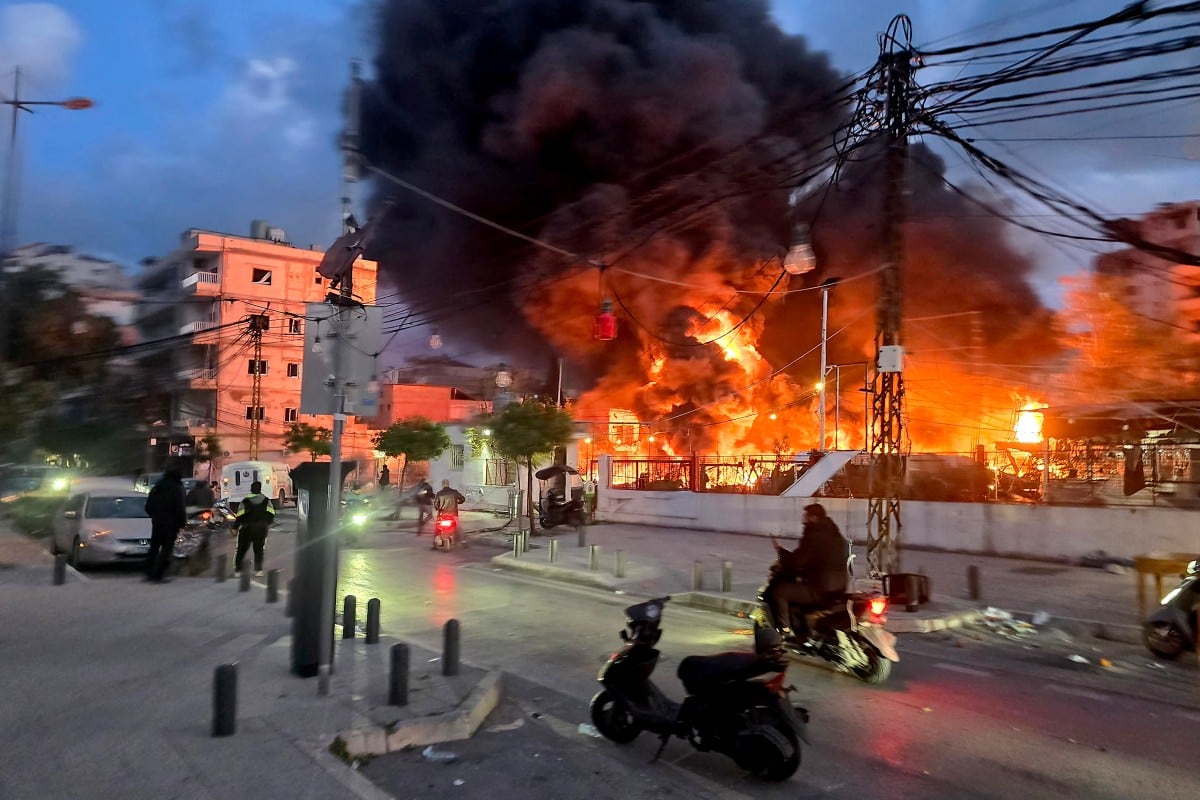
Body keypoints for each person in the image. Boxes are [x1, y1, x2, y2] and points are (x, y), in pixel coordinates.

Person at [766, 503, 850, 640]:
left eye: (806, 516)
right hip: (839, 587)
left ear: (814, 518)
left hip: (820, 588)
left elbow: (799, 561)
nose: (803, 519)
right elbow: (817, 559)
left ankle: (786, 631)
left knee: (779, 592)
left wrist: (781, 553)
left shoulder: (814, 535)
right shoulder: (835, 534)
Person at [144, 468, 187, 583]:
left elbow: (148, 505)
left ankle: (149, 573)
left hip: (157, 522)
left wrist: (155, 516)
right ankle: (159, 574)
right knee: (166, 549)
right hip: (171, 523)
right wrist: (182, 522)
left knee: (154, 547)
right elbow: (180, 507)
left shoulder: (158, 486)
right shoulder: (178, 488)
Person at [233, 480, 276, 576]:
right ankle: (258, 570)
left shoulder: (245, 501)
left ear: (251, 489)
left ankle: (238, 570)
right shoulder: (266, 500)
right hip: (261, 529)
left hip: (247, 529)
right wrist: (268, 523)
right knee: (259, 550)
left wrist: (235, 527)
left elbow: (239, 515)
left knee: (241, 549)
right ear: (260, 489)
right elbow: (271, 513)